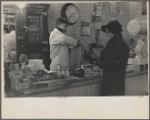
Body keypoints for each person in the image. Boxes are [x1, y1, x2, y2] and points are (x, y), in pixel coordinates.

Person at [99, 20, 129, 96]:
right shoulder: (123, 43)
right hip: (120, 81)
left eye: (107, 32)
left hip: (111, 81)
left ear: (113, 31)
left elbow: (108, 64)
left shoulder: (113, 44)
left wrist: (95, 60)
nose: (106, 35)